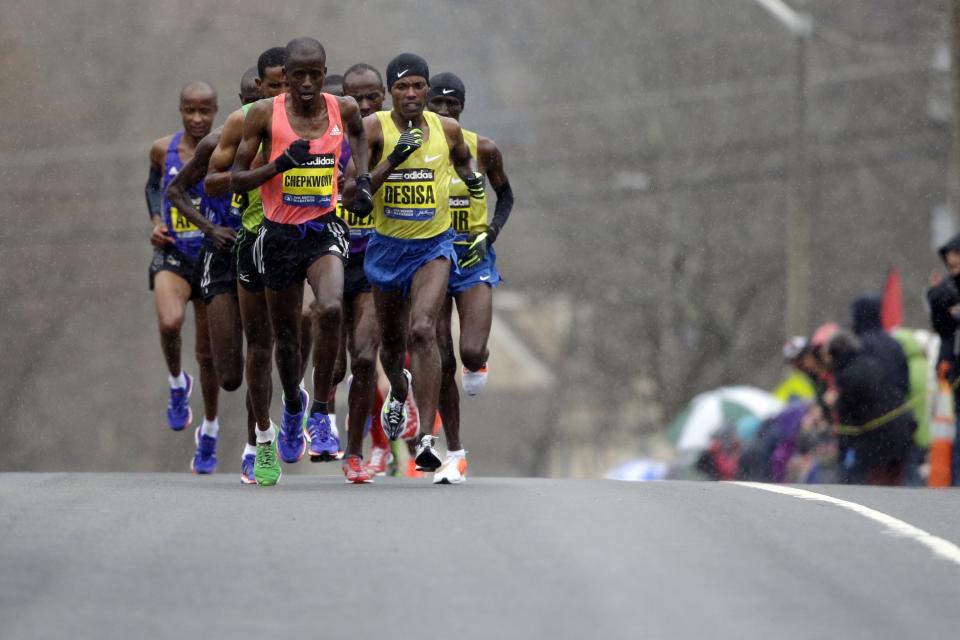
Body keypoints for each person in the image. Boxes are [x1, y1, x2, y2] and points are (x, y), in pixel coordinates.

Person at [231, 37, 371, 485]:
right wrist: (277, 166)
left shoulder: (342, 108)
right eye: (299, 75)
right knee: (285, 343)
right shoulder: (262, 116)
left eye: (317, 73)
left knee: (330, 307)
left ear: (325, 71)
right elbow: (236, 179)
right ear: (285, 77)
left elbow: (359, 137)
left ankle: (319, 408)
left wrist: (361, 177)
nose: (309, 83)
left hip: (323, 226)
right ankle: (292, 403)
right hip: (277, 235)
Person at [345, 53, 483, 476]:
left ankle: (426, 437)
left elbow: (463, 160)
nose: (411, 94)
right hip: (386, 250)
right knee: (389, 346)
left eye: (418, 86)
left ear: (426, 89)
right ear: (391, 93)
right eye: (402, 87)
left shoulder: (447, 129)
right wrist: (393, 160)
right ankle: (398, 393)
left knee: (424, 330)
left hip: (433, 248)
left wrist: (473, 183)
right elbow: (352, 193)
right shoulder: (374, 129)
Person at [166, 69, 262, 479]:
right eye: (249, 99)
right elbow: (174, 191)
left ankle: (257, 445)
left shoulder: (286, 141)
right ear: (239, 101)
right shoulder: (216, 142)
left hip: (262, 256)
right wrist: (210, 228)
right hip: (219, 256)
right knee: (228, 375)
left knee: (262, 353)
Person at [205, 47, 289, 483]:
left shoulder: (312, 121)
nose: (282, 93)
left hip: (285, 242)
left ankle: (259, 440)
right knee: (234, 373)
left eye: (287, 84)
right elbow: (202, 184)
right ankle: (256, 432)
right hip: (231, 250)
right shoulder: (239, 127)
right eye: (272, 86)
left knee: (277, 344)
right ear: (256, 91)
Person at [426, 72, 514, 484]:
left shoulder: (484, 149)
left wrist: (490, 232)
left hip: (474, 258)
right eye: (436, 105)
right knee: (441, 358)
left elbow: (507, 196)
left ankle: (478, 362)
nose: (444, 112)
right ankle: (455, 452)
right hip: (432, 257)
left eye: (451, 105)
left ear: (462, 106)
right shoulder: (417, 152)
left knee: (470, 351)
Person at [146, 81, 220, 443]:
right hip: (174, 253)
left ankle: (209, 427)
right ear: (180, 110)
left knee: (207, 355)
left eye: (204, 111)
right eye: (190, 110)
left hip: (208, 257)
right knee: (170, 321)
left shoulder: (224, 150)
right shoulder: (163, 150)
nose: (197, 118)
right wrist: (156, 222)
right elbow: (153, 188)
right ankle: (177, 383)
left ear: (216, 111)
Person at [825, 330, 915, 485]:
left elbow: (847, 420)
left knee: (873, 486)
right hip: (903, 427)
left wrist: (834, 404)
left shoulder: (847, 375)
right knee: (898, 484)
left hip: (880, 438)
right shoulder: (871, 363)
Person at [928, 232, 960, 484]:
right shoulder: (945, 289)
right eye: (948, 255)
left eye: (956, 253)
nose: (951, 259)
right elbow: (944, 329)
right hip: (952, 373)